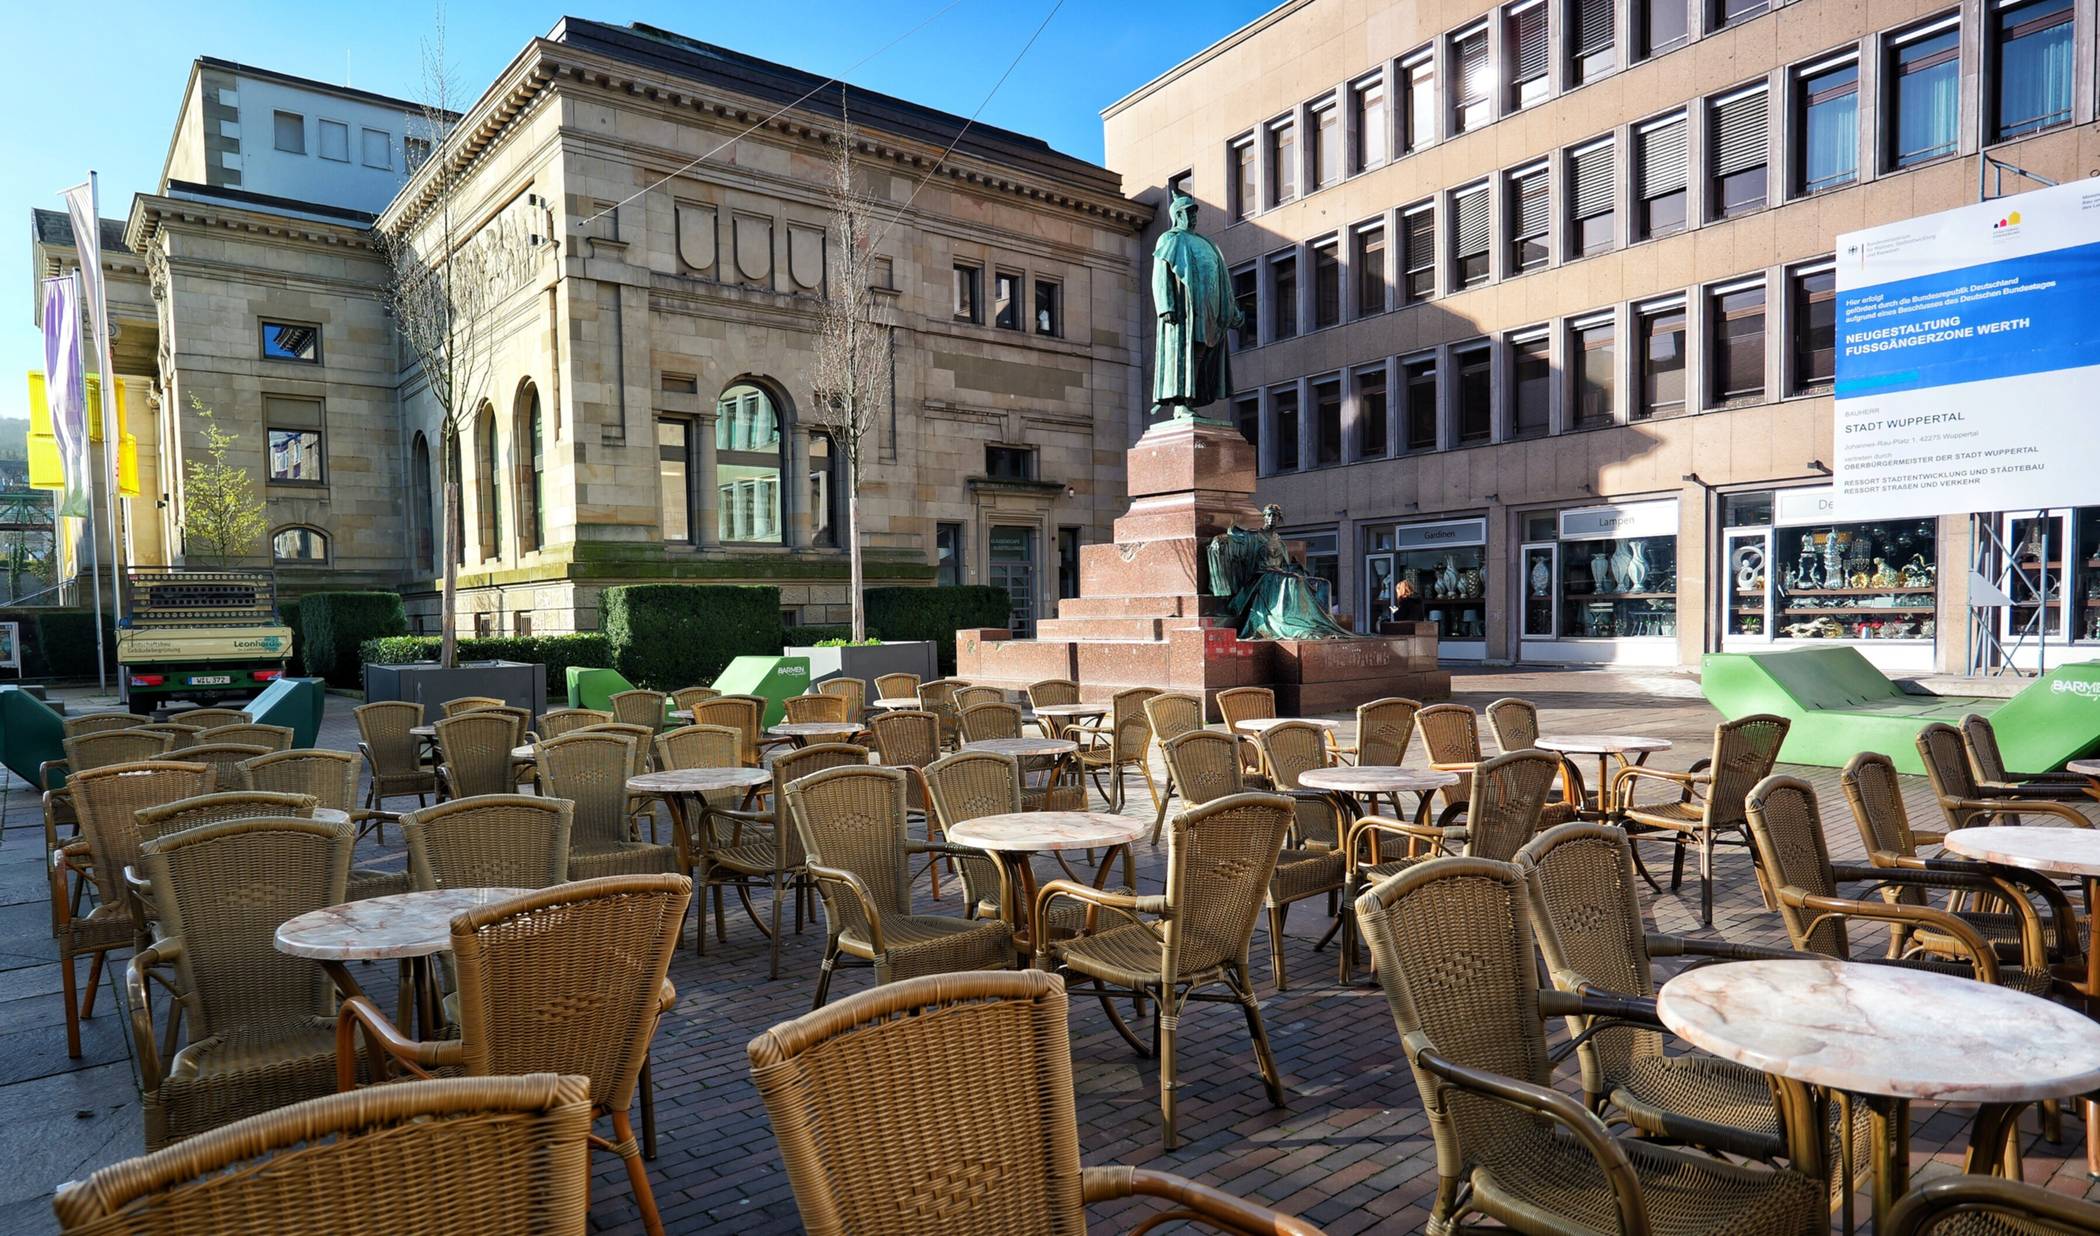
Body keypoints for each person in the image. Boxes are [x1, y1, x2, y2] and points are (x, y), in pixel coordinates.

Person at [1206, 504, 1354, 640]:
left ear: (1279, 519)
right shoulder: (1255, 536)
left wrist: (1297, 568)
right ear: (1264, 518)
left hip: (1279, 573)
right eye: (1268, 515)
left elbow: (1285, 565)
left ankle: (1316, 623)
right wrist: (1221, 540)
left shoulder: (1279, 541)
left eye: (1274, 516)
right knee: (1294, 580)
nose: (1271, 519)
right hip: (1262, 577)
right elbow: (1236, 539)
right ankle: (1292, 622)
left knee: (1322, 583)